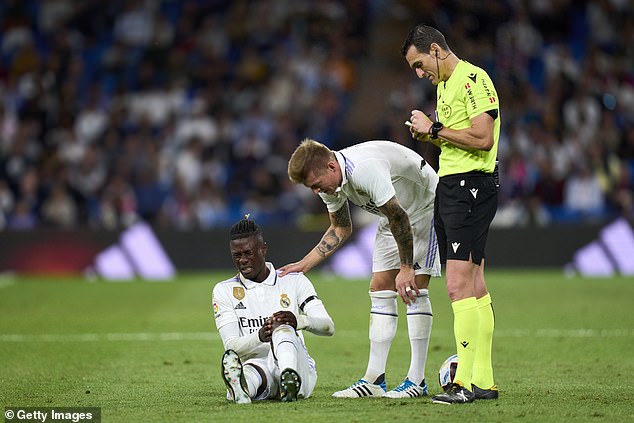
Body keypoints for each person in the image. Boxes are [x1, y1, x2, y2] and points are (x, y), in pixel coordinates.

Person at [281, 138, 440, 399]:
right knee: (379, 288)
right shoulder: (329, 184)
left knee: (414, 288)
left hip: (425, 206)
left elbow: (400, 215)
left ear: (331, 166)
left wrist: (406, 267)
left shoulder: (365, 169)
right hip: (393, 214)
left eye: (315, 185)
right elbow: (341, 228)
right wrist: (304, 264)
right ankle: (374, 379)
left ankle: (417, 380)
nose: (315, 191)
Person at [401, 24, 500, 404]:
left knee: (458, 285)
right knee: (474, 285)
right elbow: (460, 137)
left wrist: (436, 128)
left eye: (420, 63)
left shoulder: (473, 79)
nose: (420, 73)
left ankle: (462, 385)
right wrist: (432, 135)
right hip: (455, 186)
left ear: (437, 50)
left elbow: (483, 137)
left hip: (470, 188)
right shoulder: (444, 87)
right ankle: (484, 381)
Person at [212, 216, 335, 403]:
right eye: (237, 255)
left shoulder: (293, 280)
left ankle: (288, 377)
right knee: (252, 373)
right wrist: (260, 336)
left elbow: (328, 327)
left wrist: (298, 321)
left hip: (299, 366)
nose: (242, 260)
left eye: (248, 253)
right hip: (256, 363)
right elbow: (231, 347)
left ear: (263, 249)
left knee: (281, 325)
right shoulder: (224, 290)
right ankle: (242, 390)